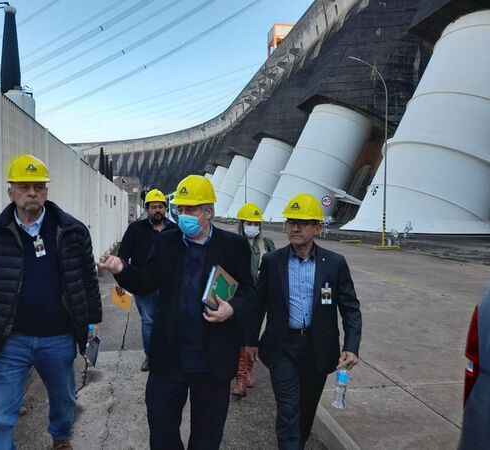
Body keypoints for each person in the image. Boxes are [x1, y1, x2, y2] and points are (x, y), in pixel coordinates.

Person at [99, 175, 255, 450]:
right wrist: (122, 270)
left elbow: (249, 292)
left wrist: (232, 309)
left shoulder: (234, 246)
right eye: (180, 209)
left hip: (211, 361)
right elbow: (147, 279)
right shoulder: (167, 242)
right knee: (161, 430)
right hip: (169, 357)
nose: (183, 216)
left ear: (208, 213)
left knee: (207, 436)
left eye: (190, 210)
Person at [0, 154, 102, 450]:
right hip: (10, 340)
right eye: (24, 186)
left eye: (38, 187)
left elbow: (87, 279)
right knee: (1, 416)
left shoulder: (72, 231)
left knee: (64, 400)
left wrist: (91, 320)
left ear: (46, 192)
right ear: (11, 192)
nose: (32, 193)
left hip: (58, 337)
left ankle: (60, 438)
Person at [247, 193, 362, 449]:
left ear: (317, 228)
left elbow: (351, 309)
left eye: (303, 222)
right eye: (291, 222)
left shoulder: (334, 263)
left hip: (317, 349)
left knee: (306, 410)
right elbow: (258, 304)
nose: (295, 228)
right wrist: (251, 340)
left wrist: (352, 346)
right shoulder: (272, 261)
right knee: (288, 409)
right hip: (282, 347)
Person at [116, 188, 178, 371]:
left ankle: (169, 355)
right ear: (147, 208)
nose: (157, 210)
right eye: (153, 207)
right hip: (143, 286)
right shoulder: (135, 229)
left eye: (160, 207)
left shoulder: (175, 230)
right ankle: (151, 357)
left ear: (165, 209)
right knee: (149, 321)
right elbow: (122, 257)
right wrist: (124, 280)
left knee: (169, 320)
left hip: (169, 286)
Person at [232, 203, 276, 397]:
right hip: (241, 298)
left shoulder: (267, 245)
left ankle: (248, 371)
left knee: (253, 337)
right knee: (241, 337)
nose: (253, 226)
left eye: (256, 223)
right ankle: (240, 377)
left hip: (260, 299)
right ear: (242, 224)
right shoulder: (233, 244)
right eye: (249, 223)